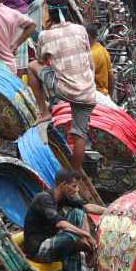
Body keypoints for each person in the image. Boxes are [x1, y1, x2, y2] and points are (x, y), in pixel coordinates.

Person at [31, 11, 99, 170]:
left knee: (32, 67)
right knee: (80, 134)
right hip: (87, 90)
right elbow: (90, 62)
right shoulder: (81, 29)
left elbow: (40, 60)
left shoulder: (45, 35)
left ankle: (44, 112)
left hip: (65, 88)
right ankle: (73, 176)